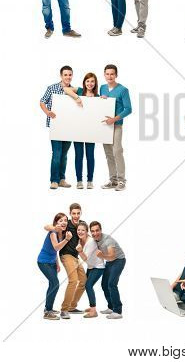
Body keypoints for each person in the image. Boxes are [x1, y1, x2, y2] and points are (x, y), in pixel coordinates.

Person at [45, 203, 86, 319]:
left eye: (78, 213)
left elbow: (85, 237)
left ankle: (72, 307)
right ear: (70, 213)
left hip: (75, 256)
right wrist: (53, 228)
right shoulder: (66, 224)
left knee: (83, 281)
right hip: (66, 255)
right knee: (73, 280)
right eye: (74, 213)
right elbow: (48, 227)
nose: (76, 215)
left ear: (81, 213)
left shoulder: (82, 224)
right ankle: (64, 309)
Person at [40, 65, 74, 190]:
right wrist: (47, 112)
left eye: (70, 74)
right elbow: (42, 101)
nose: (68, 77)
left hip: (69, 127)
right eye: (65, 74)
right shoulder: (52, 88)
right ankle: (54, 180)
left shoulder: (75, 90)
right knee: (57, 153)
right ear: (61, 76)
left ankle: (61, 179)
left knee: (64, 154)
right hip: (56, 126)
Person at [100, 64, 132, 192]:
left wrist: (114, 119)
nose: (109, 76)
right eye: (107, 74)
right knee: (108, 153)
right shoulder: (102, 88)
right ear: (104, 75)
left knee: (117, 151)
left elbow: (128, 109)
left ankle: (121, 180)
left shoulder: (123, 90)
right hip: (104, 125)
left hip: (116, 125)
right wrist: (101, 99)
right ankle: (112, 180)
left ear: (116, 75)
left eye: (112, 74)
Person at [64, 73, 99, 189]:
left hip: (91, 131)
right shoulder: (79, 91)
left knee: (90, 156)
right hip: (77, 130)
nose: (90, 83)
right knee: (78, 156)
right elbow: (66, 89)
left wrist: (104, 100)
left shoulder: (97, 96)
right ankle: (79, 180)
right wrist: (77, 98)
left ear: (95, 83)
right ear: (84, 82)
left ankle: (90, 180)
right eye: (87, 81)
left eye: (92, 81)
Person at [37, 213, 71, 320]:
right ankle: (47, 312)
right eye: (60, 220)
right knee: (55, 284)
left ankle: (48, 309)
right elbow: (56, 247)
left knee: (52, 284)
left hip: (52, 262)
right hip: (43, 261)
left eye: (65, 220)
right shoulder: (53, 232)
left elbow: (54, 252)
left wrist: (57, 263)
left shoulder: (62, 233)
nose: (63, 222)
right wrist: (66, 240)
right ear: (56, 223)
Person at [90, 221, 126, 319]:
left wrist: (102, 255)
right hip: (109, 262)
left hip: (118, 260)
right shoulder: (94, 239)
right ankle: (111, 307)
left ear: (101, 230)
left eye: (97, 230)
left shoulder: (108, 240)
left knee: (111, 284)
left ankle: (118, 311)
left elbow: (112, 256)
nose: (95, 233)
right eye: (92, 231)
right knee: (104, 284)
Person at [76, 221, 105, 318]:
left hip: (98, 267)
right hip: (91, 267)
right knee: (86, 285)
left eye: (83, 230)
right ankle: (92, 306)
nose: (80, 232)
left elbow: (85, 259)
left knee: (88, 286)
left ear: (86, 231)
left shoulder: (90, 242)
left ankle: (93, 310)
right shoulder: (80, 240)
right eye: (78, 230)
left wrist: (80, 251)